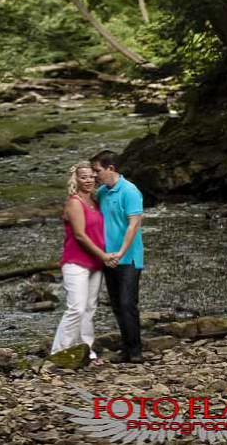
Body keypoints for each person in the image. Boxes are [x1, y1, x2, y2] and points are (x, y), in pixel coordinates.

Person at [51, 162, 109, 365]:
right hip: (76, 262)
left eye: (91, 176)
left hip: (95, 263)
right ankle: (59, 353)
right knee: (76, 308)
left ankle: (87, 352)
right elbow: (80, 235)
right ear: (76, 180)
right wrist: (104, 255)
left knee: (89, 308)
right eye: (83, 177)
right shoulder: (74, 202)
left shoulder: (96, 201)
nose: (88, 180)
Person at [90, 150, 145, 364]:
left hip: (128, 257)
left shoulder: (130, 191)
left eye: (97, 171)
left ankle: (136, 351)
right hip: (108, 257)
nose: (95, 175)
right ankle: (126, 349)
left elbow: (134, 225)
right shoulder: (103, 192)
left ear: (111, 168)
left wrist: (121, 253)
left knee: (127, 303)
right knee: (115, 304)